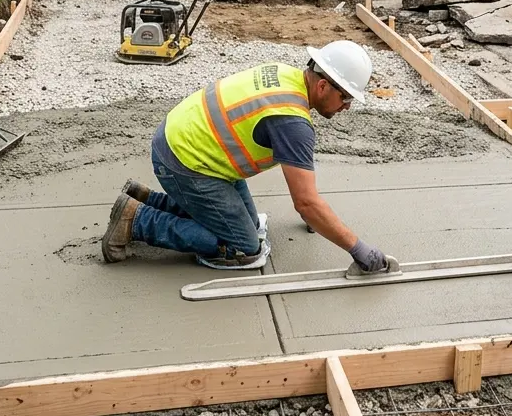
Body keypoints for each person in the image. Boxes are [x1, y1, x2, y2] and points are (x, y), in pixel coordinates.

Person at [101, 41, 390, 272]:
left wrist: (316, 216)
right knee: (243, 248)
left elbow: (305, 196)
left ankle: (147, 199)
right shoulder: (292, 123)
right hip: (185, 162)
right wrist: (358, 249)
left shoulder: (284, 73)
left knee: (251, 226)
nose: (347, 107)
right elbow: (306, 203)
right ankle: (137, 220)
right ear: (323, 86)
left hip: (186, 142)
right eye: (346, 97)